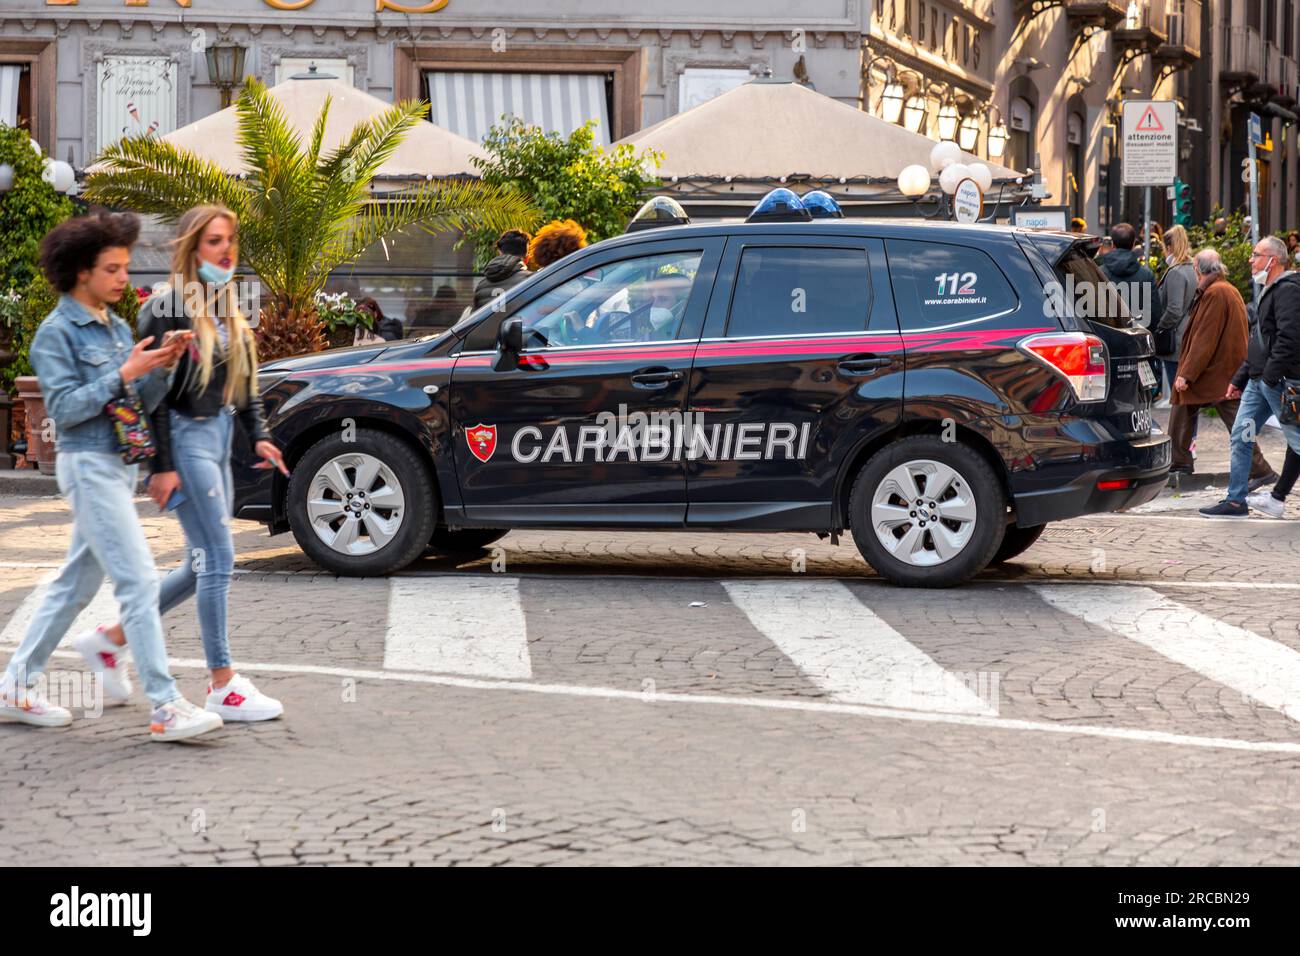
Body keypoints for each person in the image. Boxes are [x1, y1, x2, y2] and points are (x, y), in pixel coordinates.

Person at [0, 211, 221, 741]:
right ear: (82, 272)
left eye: (125, 267)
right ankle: (166, 704)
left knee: (75, 586)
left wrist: (161, 366)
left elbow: (135, 403)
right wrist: (123, 372)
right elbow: (67, 409)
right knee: (141, 579)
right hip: (88, 465)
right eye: (113, 268)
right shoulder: (56, 335)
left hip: (118, 467)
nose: (125, 278)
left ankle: (14, 685)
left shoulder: (117, 326)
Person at [90, 205, 291, 720]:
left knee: (199, 562)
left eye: (230, 241)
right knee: (219, 559)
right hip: (183, 437)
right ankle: (222, 683)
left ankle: (110, 640)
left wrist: (260, 437)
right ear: (190, 249)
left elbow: (242, 387)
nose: (226, 250)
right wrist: (161, 464)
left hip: (218, 436)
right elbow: (150, 395)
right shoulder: (167, 307)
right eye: (214, 241)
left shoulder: (227, 306)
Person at [1201, 235, 1300, 516]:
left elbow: (1289, 338)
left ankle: (1274, 499)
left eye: (1256, 254)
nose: (1250, 260)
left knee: (1297, 441)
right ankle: (1236, 500)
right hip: (1258, 384)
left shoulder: (1288, 290)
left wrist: (1270, 377)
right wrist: (1241, 377)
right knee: (1242, 436)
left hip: (1278, 383)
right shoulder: (1269, 289)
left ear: (1273, 260)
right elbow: (1259, 340)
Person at [1169, 249, 1276, 483]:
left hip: (1217, 370)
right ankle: (1179, 461)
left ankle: (1259, 469)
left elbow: (1204, 338)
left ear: (1198, 269)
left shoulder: (1215, 293)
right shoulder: (1224, 290)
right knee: (1186, 406)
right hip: (1224, 368)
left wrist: (1187, 373)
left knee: (1226, 416)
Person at [1153, 225, 1197, 404]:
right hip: (1189, 335)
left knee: (1178, 393)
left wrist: (1159, 328)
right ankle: (1186, 431)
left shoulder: (1176, 272)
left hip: (1176, 340)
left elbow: (1174, 309)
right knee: (1185, 392)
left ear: (1169, 247)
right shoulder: (1192, 268)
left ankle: (1183, 432)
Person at [1098, 222, 1162, 327]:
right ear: (1133, 244)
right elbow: (1155, 313)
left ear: (1113, 244)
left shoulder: (1099, 273)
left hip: (1108, 337)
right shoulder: (1146, 276)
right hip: (1138, 336)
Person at [472, 230, 532, 311]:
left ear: (500, 253)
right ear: (527, 259)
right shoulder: (532, 281)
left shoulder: (481, 286)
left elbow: (475, 319)